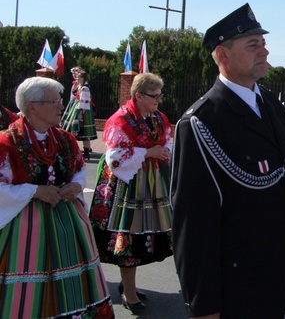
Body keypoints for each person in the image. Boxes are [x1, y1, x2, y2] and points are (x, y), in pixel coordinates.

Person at [171, 3, 285, 318]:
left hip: (275, 273)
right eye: (253, 45)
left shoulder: (271, 105)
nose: (264, 51)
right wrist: (204, 305)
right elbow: (192, 225)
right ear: (223, 55)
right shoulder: (201, 122)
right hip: (234, 282)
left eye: (263, 43)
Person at [0, 77, 113, 317]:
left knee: (72, 286)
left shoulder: (64, 139)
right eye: (55, 101)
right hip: (24, 230)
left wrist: (76, 184)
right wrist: (34, 191)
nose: (62, 106)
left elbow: (80, 170)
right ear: (33, 106)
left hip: (68, 224)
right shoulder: (7, 143)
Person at [88, 72, 174, 312]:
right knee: (127, 235)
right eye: (154, 95)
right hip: (125, 184)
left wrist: (164, 150)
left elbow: (167, 138)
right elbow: (115, 157)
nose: (159, 100)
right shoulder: (121, 120)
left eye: (159, 95)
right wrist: (148, 153)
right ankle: (128, 291)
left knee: (143, 235)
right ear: (138, 95)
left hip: (151, 181)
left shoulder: (157, 117)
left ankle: (129, 286)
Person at [62, 70, 97, 159]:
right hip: (78, 108)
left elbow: (85, 102)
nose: (76, 78)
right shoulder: (79, 87)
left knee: (84, 133)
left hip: (82, 111)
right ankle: (77, 151)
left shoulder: (85, 88)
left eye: (78, 77)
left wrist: (81, 114)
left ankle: (85, 153)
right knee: (80, 133)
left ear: (82, 78)